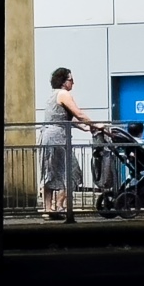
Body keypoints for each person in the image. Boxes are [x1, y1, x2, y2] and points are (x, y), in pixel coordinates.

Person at [39, 67, 101, 219]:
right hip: (56, 138)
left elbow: (68, 118)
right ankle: (53, 207)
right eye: (71, 80)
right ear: (63, 82)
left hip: (54, 136)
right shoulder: (63, 94)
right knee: (64, 172)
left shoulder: (54, 95)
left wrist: (85, 127)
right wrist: (95, 125)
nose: (73, 83)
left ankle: (54, 207)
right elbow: (78, 113)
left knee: (55, 172)